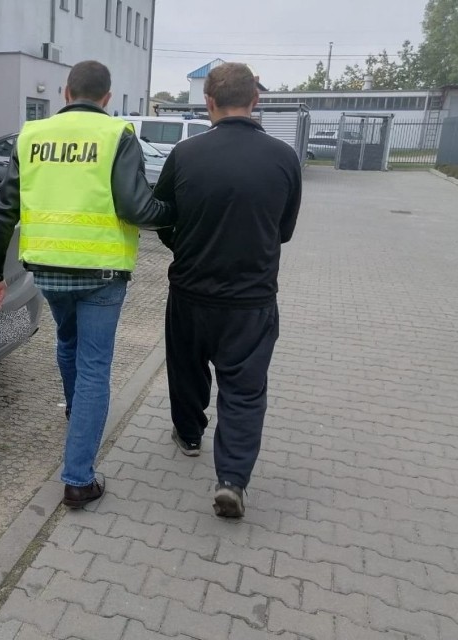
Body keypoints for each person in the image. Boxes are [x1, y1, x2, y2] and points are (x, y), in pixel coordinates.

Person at [0, 60, 173, 509]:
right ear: (107, 98)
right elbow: (137, 208)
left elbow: (2, 211)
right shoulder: (117, 135)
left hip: (47, 270)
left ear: (66, 92)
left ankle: (75, 412)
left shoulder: (31, 136)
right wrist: (175, 213)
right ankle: (78, 479)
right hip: (103, 274)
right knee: (94, 367)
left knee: (67, 341)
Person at [153, 62, 302, 518]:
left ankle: (190, 435)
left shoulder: (185, 154)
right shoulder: (284, 158)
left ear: (208, 101)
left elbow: (163, 216)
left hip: (191, 290)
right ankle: (232, 480)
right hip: (251, 299)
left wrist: (187, 244)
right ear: (256, 100)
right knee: (244, 389)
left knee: (187, 367)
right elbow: (285, 231)